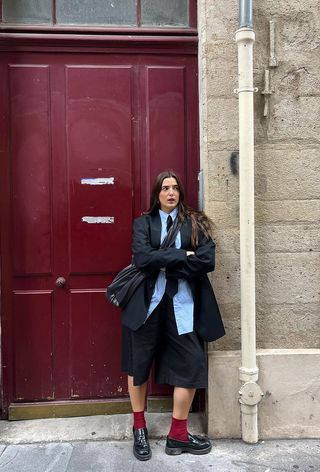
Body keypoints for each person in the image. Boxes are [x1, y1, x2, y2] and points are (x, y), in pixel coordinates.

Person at [121, 170, 225, 461]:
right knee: (138, 365)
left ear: (180, 192)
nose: (170, 192)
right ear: (157, 193)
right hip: (148, 305)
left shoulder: (194, 223)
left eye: (175, 188)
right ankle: (139, 429)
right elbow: (142, 259)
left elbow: (208, 260)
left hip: (182, 304)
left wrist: (165, 262)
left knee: (191, 363)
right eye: (165, 188)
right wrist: (182, 255)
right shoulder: (143, 223)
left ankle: (178, 435)